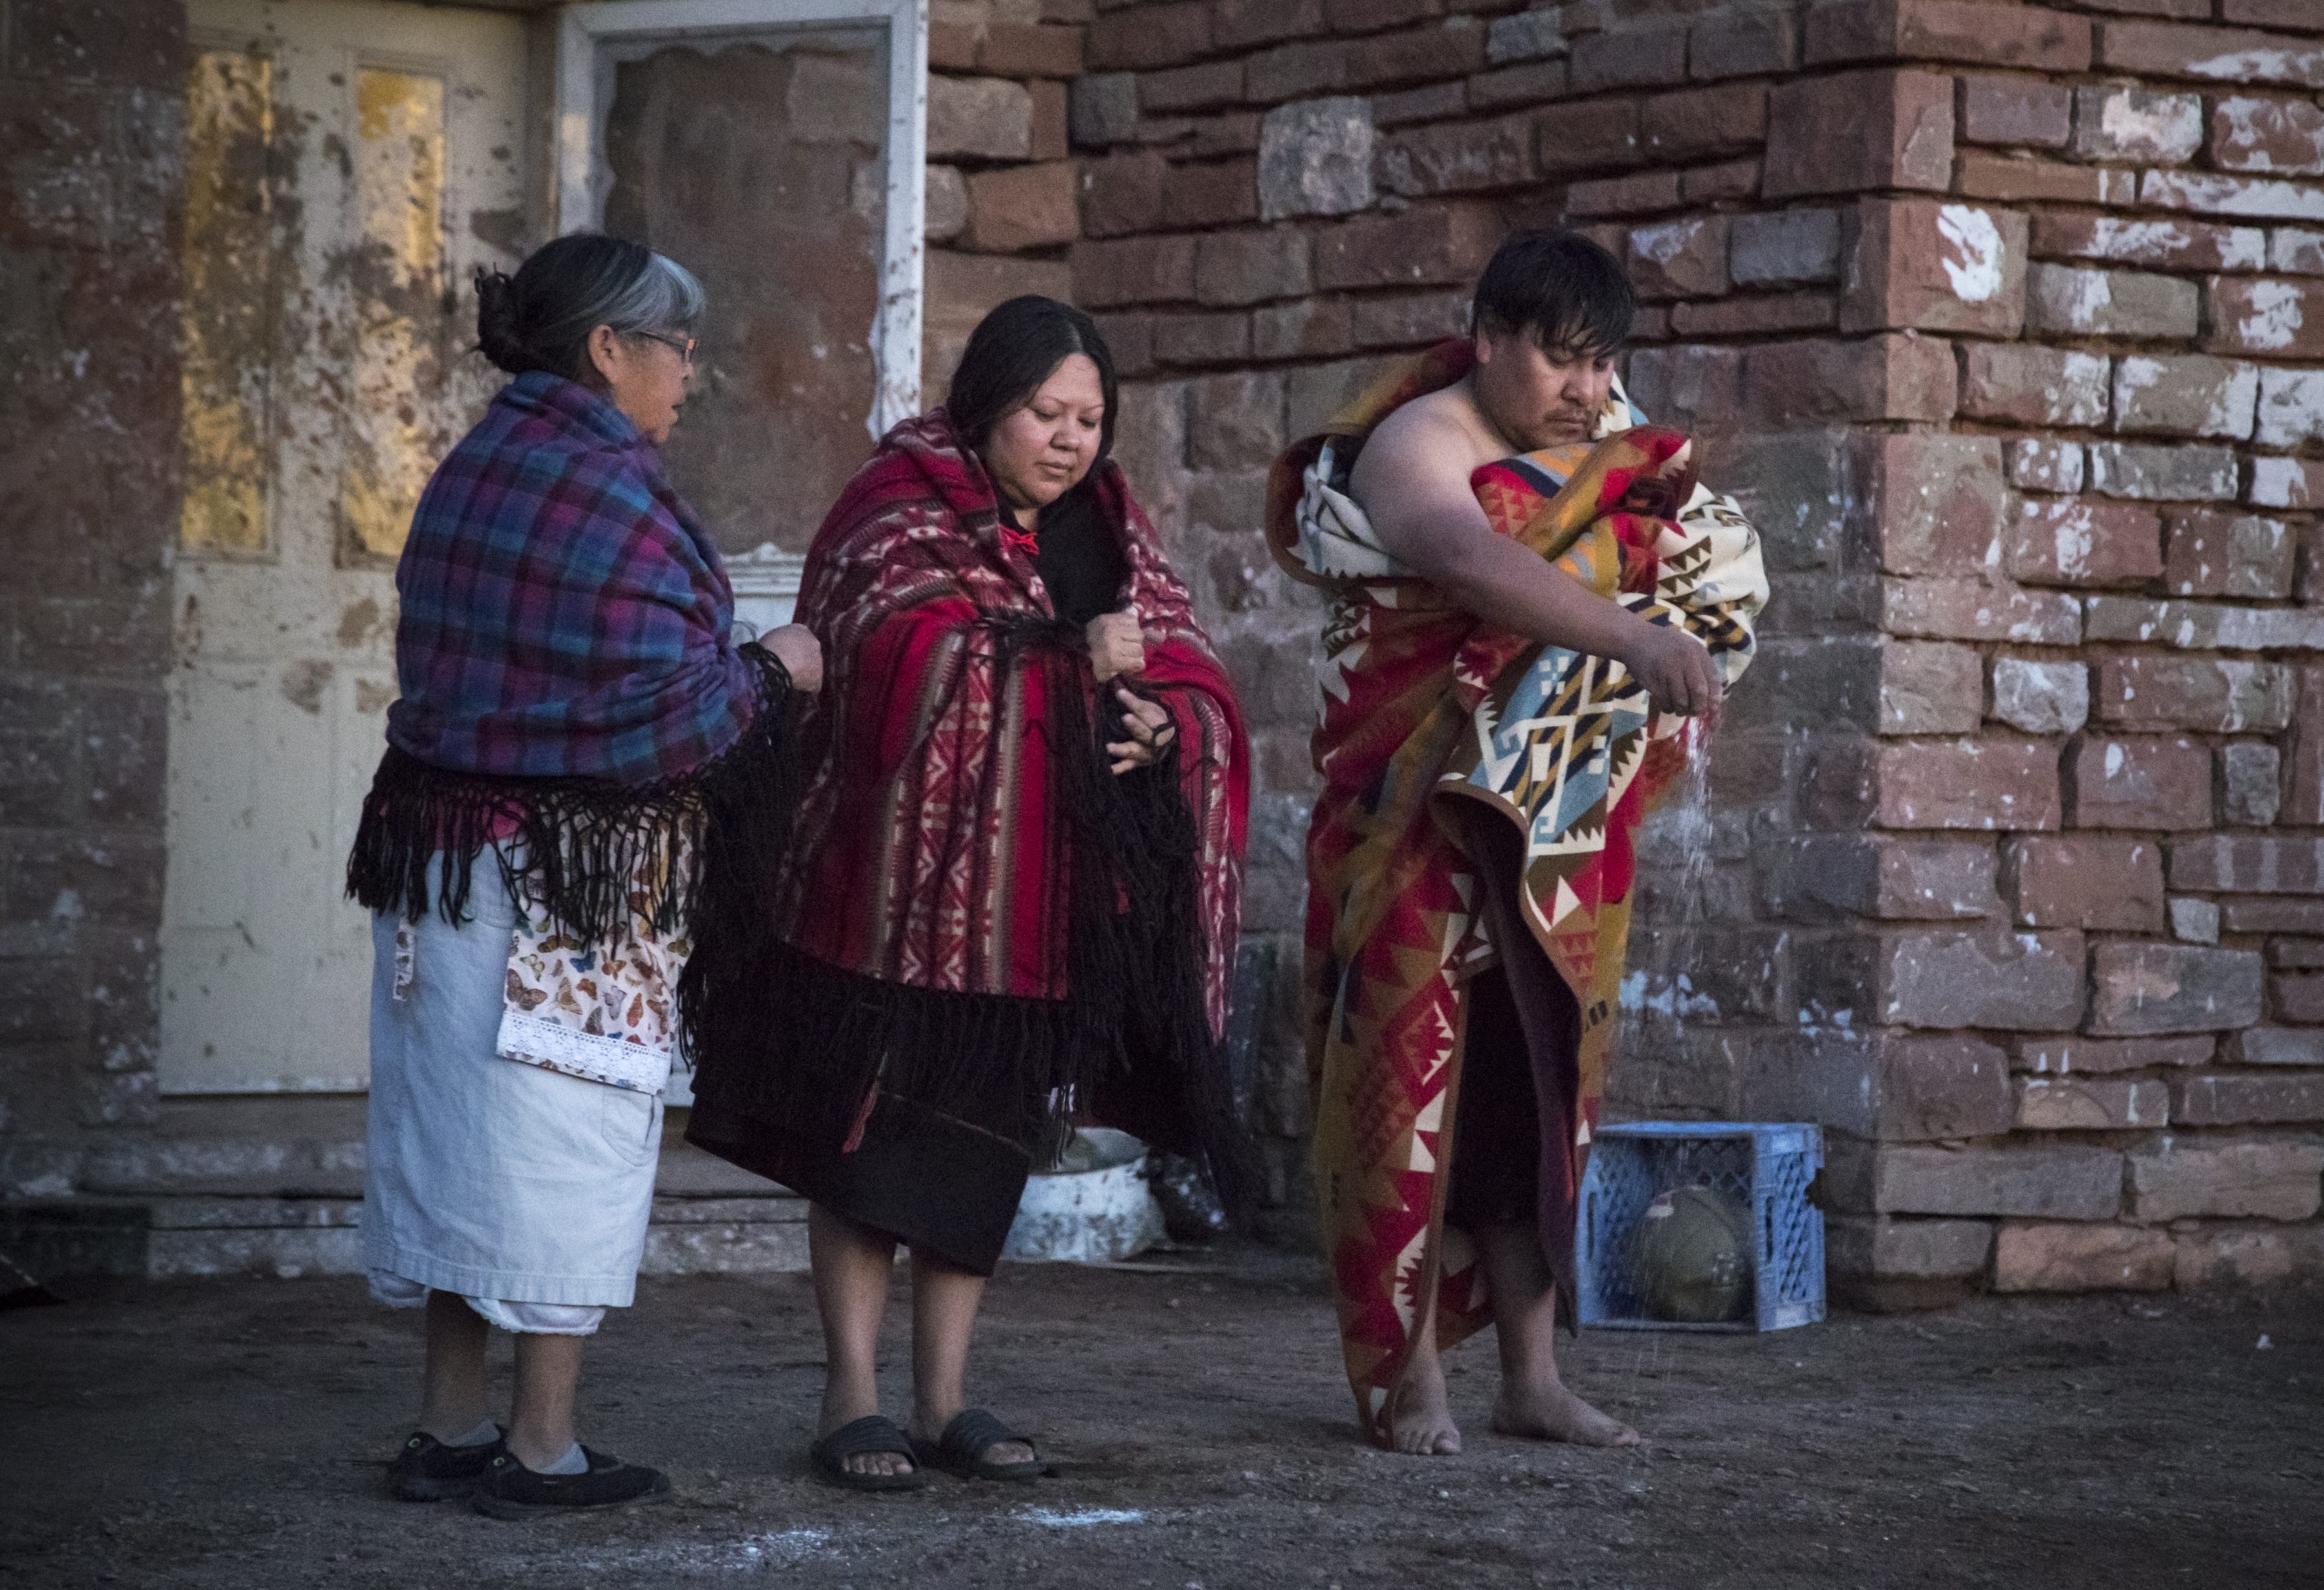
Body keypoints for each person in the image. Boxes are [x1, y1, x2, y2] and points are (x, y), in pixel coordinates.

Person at [684, 295, 1249, 1491]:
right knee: (867, 1139)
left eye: (1090, 417)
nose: (1070, 438)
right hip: (891, 899)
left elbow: (1183, 660)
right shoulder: (896, 506)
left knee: (978, 1147)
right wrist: (1075, 665)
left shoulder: (1106, 525)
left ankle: (945, 1400)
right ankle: (852, 1393)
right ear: (987, 402)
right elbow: (887, 646)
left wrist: (1160, 723)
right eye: (1046, 412)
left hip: (1030, 920)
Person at [1265, 230, 1768, 1454]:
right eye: (1559, 361)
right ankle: (1412, 1380)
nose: (1587, 394)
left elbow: (1699, 549)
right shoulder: (1418, 440)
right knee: (1410, 1089)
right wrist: (1629, 639)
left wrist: (1676, 623)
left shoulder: (1610, 446)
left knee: (1528, 1081)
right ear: (1489, 337)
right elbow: (1460, 557)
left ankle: (1532, 1380)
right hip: (1412, 809)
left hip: (1557, 824)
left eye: (1605, 367)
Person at [345, 232, 822, 1517]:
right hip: (563, 888)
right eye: (676, 346)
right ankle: (543, 1440)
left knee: (452, 1138)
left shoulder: (478, 468)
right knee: (564, 1143)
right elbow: (667, 708)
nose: (691, 372)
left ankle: (445, 1426)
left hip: (439, 874)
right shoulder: (598, 486)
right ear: (608, 349)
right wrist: (777, 668)